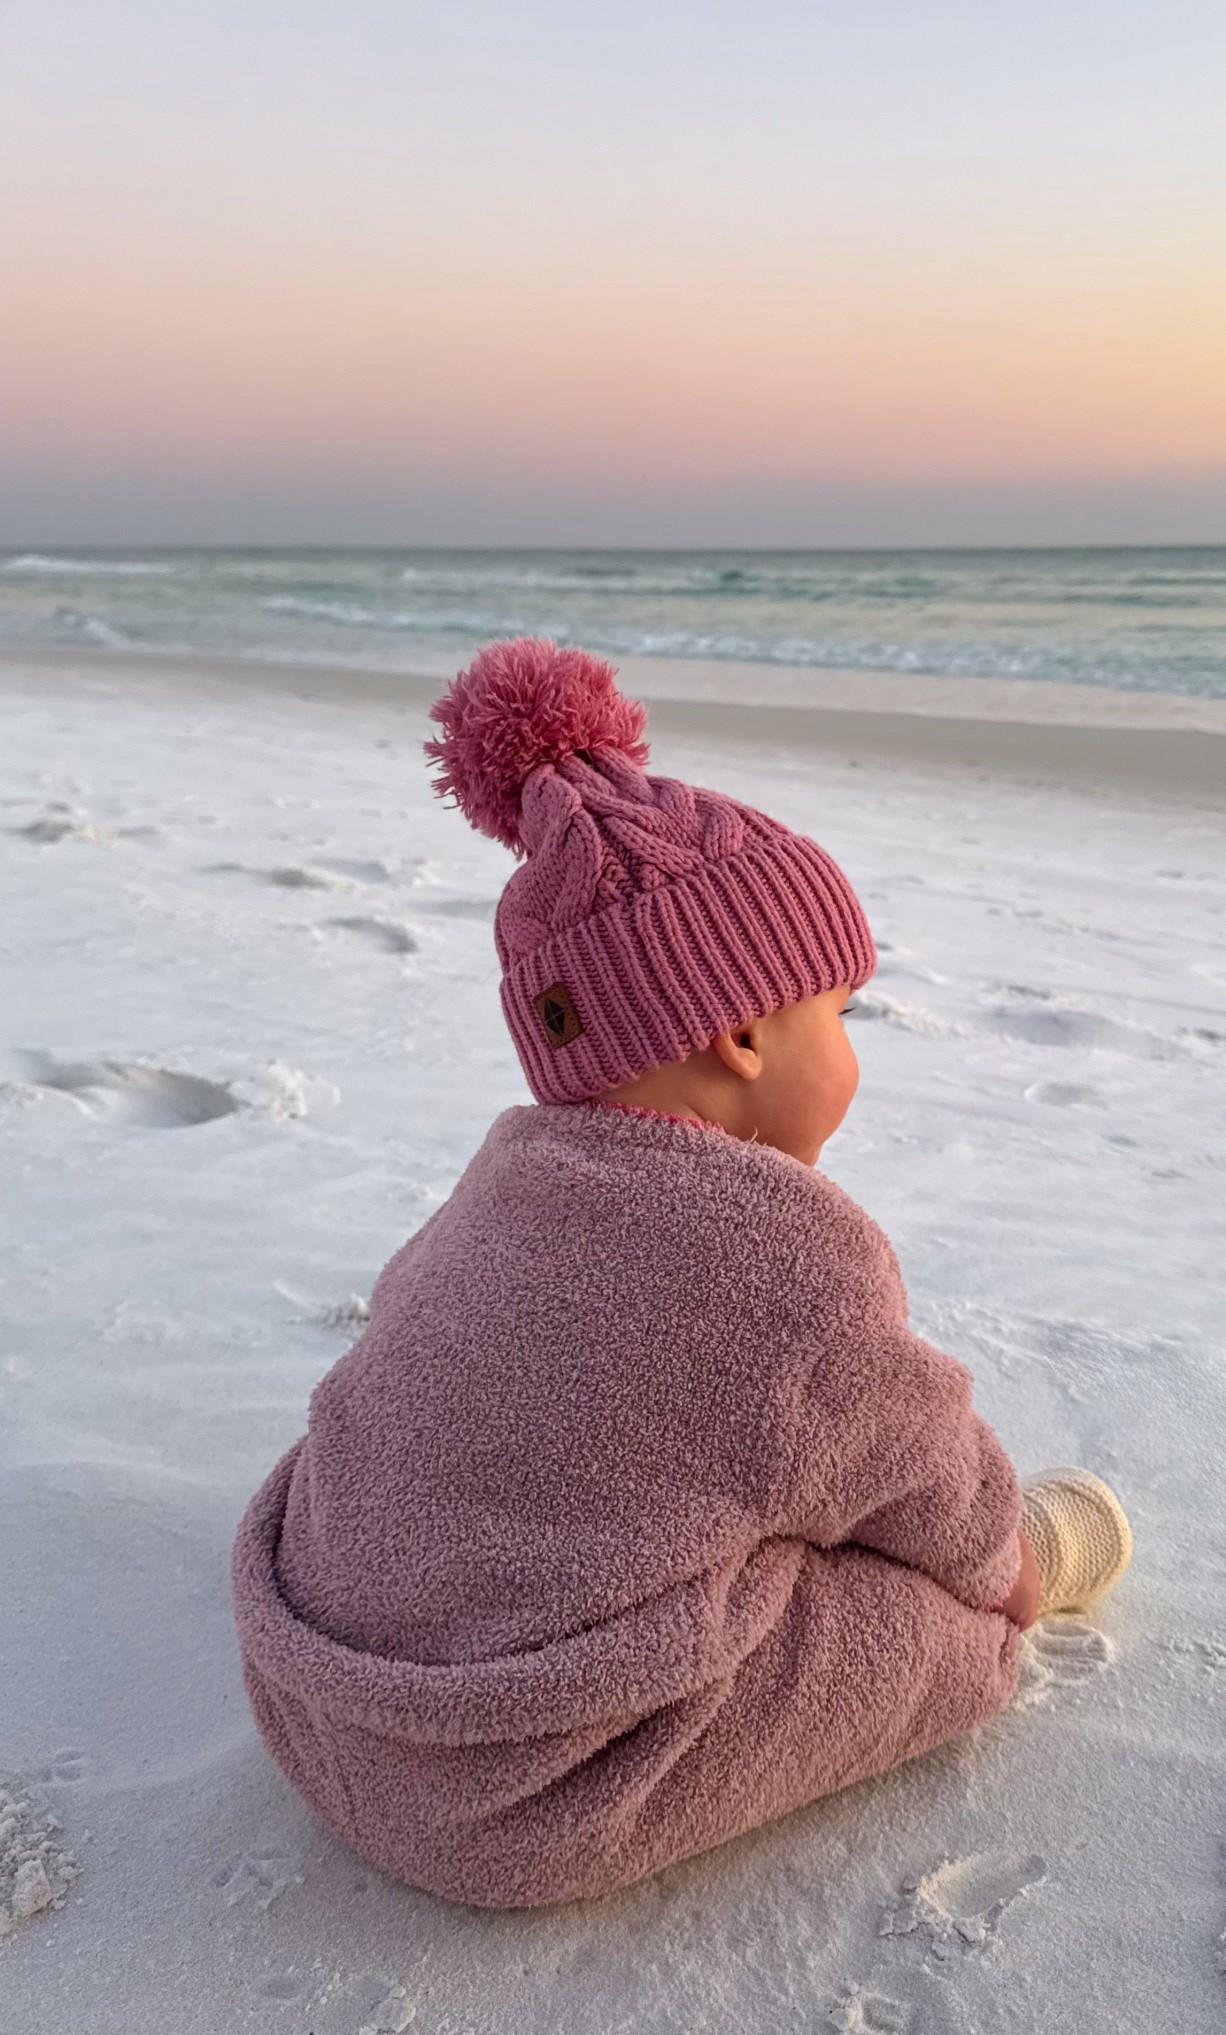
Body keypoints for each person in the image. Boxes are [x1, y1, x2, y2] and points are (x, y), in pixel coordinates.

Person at [231, 638, 1132, 1909]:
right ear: (745, 1033)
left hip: (317, 1702)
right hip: (515, 1794)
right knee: (942, 1637)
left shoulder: (506, 1175)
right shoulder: (783, 1256)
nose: (850, 1048)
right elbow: (917, 1463)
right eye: (843, 1014)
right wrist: (1010, 1568)